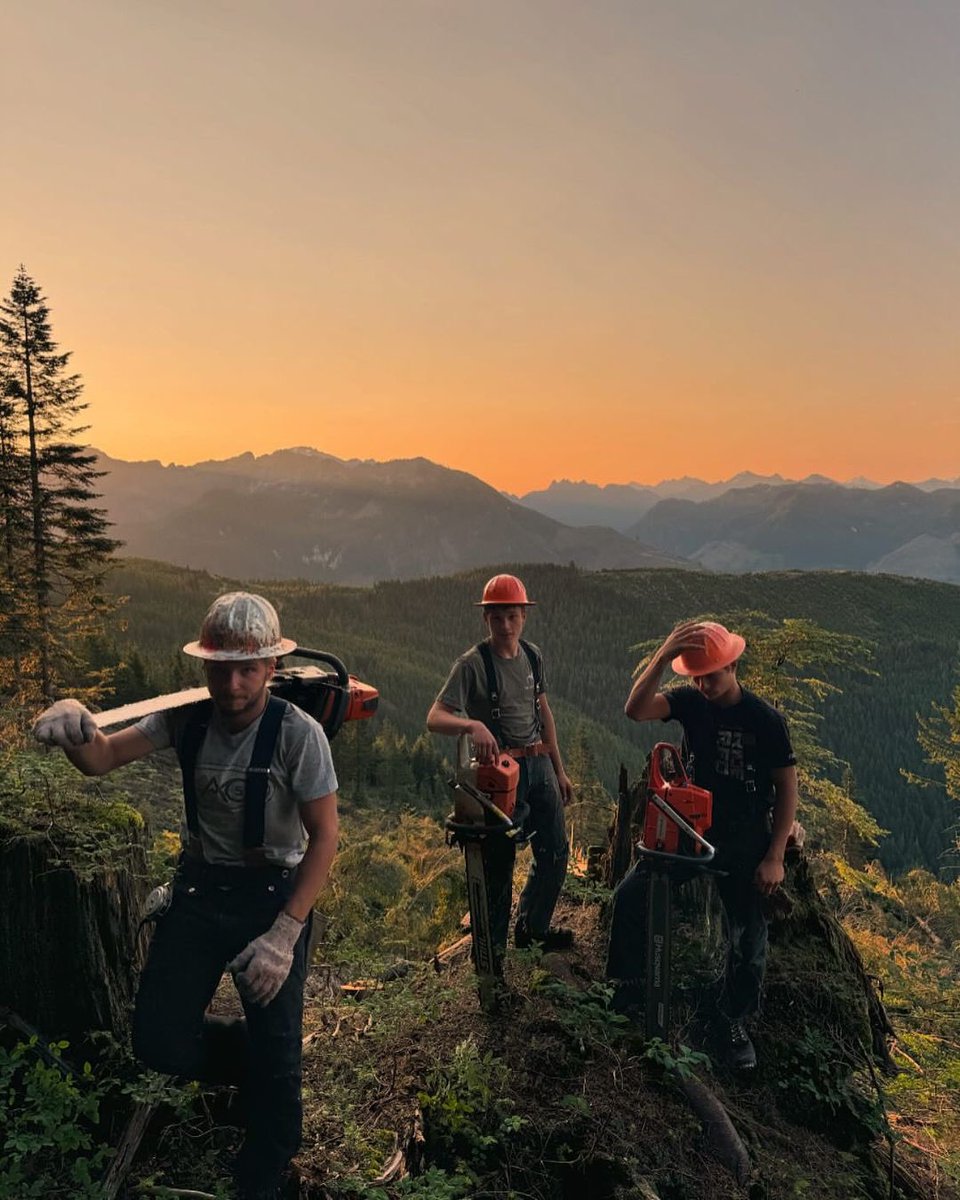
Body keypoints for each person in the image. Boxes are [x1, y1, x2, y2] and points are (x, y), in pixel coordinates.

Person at [33, 592, 338, 1200]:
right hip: (200, 887)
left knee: (280, 1065)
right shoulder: (185, 716)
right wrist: (74, 723)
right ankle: (256, 1062)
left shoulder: (296, 736)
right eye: (219, 667)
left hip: (271, 894)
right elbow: (103, 757)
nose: (231, 683)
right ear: (203, 665)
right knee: (158, 1039)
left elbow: (326, 838)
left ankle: (269, 1156)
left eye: (247, 668)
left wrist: (284, 935)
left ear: (272, 668)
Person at [606, 620, 798, 1070]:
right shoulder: (690, 703)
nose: (703, 684)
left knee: (748, 937)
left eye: (711, 674)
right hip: (691, 829)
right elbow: (635, 710)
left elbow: (787, 787)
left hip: (746, 836)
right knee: (632, 896)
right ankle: (629, 987)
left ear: (733, 665)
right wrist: (664, 651)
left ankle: (731, 1017)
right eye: (695, 676)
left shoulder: (764, 720)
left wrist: (774, 856)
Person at [426, 574, 574, 958]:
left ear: (523, 615)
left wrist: (559, 770)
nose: (505, 626)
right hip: (500, 778)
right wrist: (472, 724)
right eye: (497, 618)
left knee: (555, 853)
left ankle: (532, 930)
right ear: (486, 619)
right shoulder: (472, 665)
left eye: (512, 616)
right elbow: (435, 718)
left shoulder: (532, 655)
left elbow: (544, 712)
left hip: (539, 764)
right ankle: (492, 964)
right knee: (498, 870)